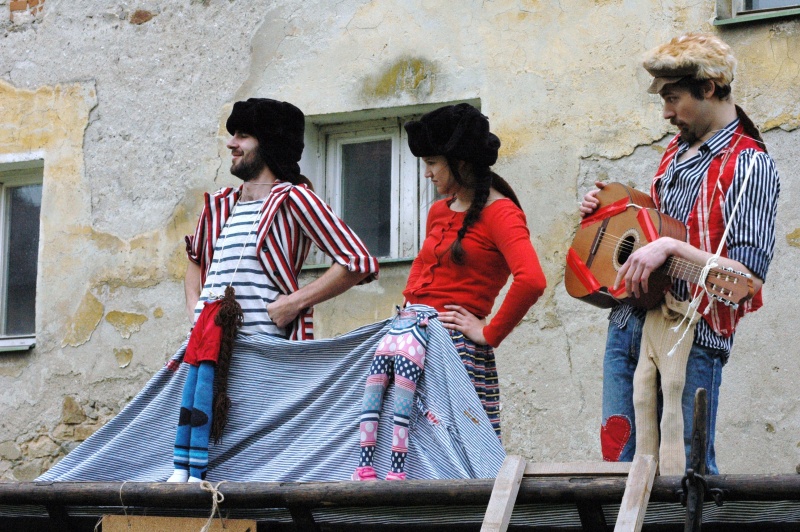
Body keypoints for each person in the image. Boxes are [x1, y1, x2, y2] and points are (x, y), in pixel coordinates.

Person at [580, 33, 779, 474]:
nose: (666, 113)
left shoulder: (750, 165)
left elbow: (746, 282)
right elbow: (654, 228)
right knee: (619, 464)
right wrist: (608, 210)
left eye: (673, 98)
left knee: (687, 473)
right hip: (629, 321)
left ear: (707, 88)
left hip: (695, 331)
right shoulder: (675, 151)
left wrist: (670, 247)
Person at [168, 98, 379, 482]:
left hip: (265, 357)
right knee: (202, 448)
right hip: (208, 351)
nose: (231, 143)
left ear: (268, 143)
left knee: (260, 463)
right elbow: (195, 261)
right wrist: (196, 310)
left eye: (243, 135)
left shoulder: (294, 199)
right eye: (233, 134)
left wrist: (293, 304)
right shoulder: (218, 206)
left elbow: (357, 261)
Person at [352, 103, 547, 481]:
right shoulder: (439, 211)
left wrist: (488, 333)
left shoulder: (501, 212)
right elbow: (423, 270)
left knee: (454, 447)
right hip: (411, 341)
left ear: (460, 162)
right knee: (405, 442)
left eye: (432, 163)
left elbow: (532, 280)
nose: (426, 173)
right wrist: (406, 318)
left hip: (455, 350)